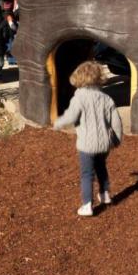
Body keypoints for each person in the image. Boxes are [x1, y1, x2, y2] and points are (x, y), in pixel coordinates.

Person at [54, 60, 123, 217]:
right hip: (104, 144)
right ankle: (105, 194)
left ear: (78, 78)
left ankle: (87, 205)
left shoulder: (79, 98)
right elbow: (116, 122)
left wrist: (58, 123)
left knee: (87, 174)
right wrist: (117, 139)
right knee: (101, 167)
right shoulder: (107, 99)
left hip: (87, 145)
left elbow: (71, 117)